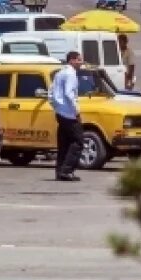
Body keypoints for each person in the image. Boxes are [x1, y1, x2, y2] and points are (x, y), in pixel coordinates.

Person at [51, 50, 84, 182]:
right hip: (69, 114)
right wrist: (77, 112)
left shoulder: (60, 73)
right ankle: (67, 170)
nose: (81, 63)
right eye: (79, 60)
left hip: (60, 113)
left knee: (64, 143)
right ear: (72, 60)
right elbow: (69, 94)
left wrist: (56, 107)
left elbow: (51, 92)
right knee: (78, 141)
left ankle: (60, 171)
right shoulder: (70, 74)